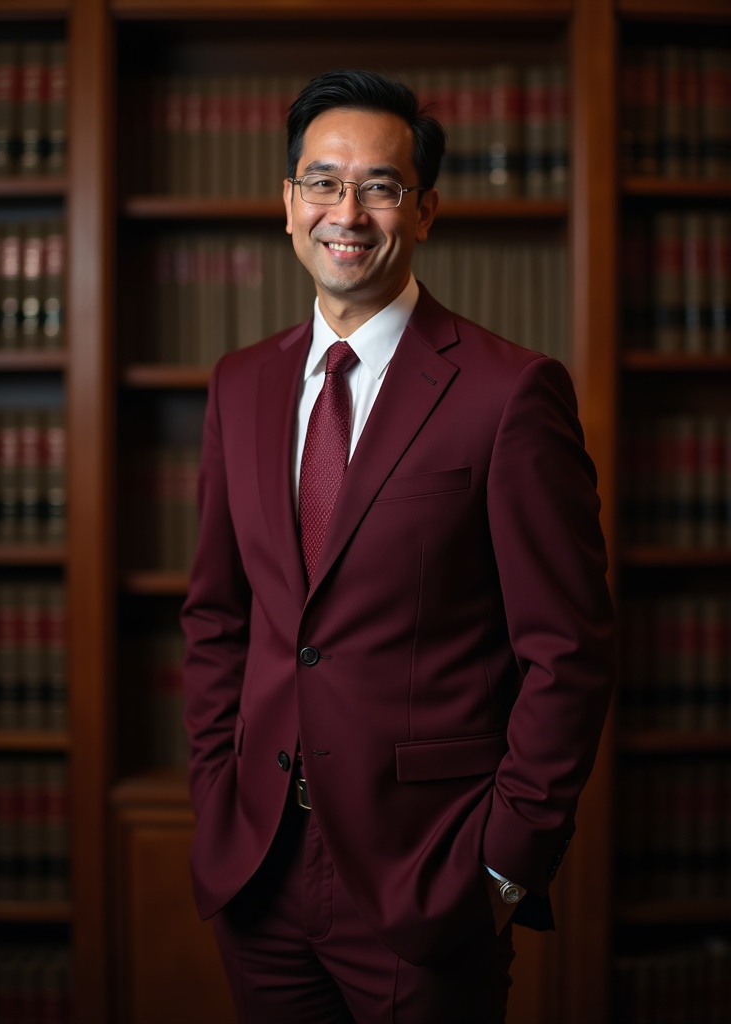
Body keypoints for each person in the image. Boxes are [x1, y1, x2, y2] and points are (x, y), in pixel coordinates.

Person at [181, 68, 615, 1024]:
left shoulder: (510, 393)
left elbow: (569, 654)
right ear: (288, 206)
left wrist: (504, 866)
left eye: (379, 185)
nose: (349, 209)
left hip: (427, 877)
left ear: (424, 212)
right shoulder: (240, 385)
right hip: (259, 869)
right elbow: (218, 614)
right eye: (323, 182)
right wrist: (217, 793)